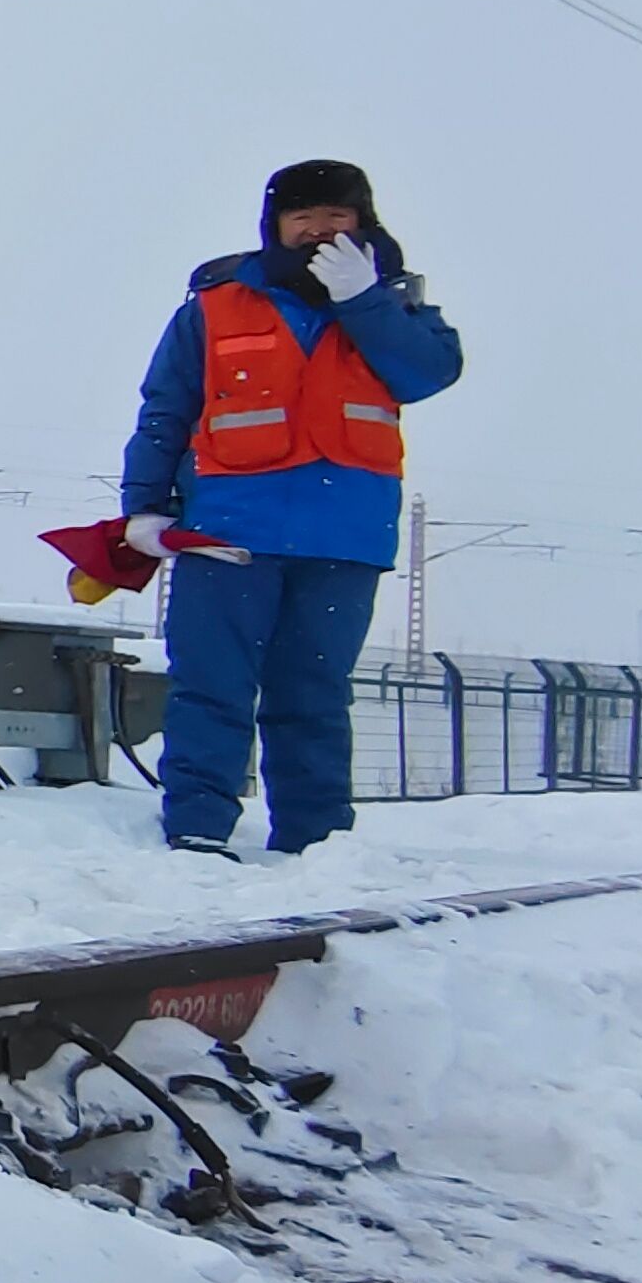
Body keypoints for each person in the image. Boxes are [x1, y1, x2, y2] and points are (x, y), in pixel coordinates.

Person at [117, 158, 464, 856]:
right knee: (210, 687)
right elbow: (166, 410)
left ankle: (316, 843)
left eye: (336, 218)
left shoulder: (395, 306)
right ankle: (197, 829)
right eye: (301, 218)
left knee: (313, 697)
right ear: (275, 226)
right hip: (226, 533)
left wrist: (362, 300)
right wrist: (144, 507)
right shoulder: (213, 307)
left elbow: (428, 375)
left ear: (362, 223)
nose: (318, 233)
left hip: (342, 541)